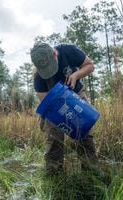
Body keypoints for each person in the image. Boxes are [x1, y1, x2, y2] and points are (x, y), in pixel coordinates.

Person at [30, 43, 98, 176]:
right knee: (53, 136)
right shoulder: (38, 78)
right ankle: (54, 172)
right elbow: (46, 102)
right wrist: (60, 116)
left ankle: (90, 169)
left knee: (83, 132)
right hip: (54, 103)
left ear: (55, 53)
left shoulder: (68, 51)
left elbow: (90, 66)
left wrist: (76, 75)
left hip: (76, 95)